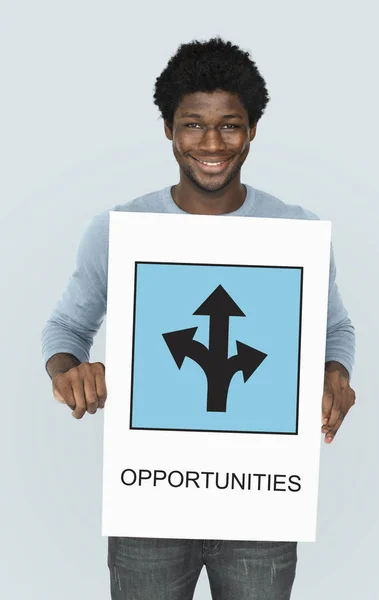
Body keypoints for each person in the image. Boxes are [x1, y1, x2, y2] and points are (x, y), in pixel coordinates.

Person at [41, 36, 356, 600]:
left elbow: (334, 329)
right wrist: (69, 371)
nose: (212, 143)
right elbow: (66, 330)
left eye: (230, 125)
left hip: (261, 501)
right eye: (193, 124)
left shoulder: (295, 232)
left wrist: (336, 373)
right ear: (168, 128)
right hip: (151, 503)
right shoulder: (119, 229)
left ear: (253, 129)